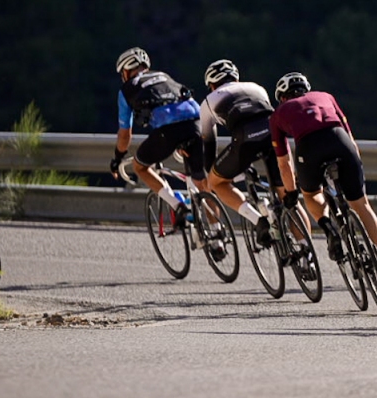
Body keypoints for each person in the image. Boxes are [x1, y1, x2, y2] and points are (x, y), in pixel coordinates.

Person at [268, 71, 377, 285]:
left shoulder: (278, 113)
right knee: (362, 205)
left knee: (311, 194)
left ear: (282, 96)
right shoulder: (326, 96)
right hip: (339, 139)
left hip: (309, 147)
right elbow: (349, 134)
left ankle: (329, 229)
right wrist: (356, 166)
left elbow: (284, 162)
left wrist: (290, 193)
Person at [110, 48, 212, 234]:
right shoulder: (164, 76)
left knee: (140, 166)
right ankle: (218, 233)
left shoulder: (127, 89)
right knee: (202, 183)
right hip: (197, 122)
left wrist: (117, 158)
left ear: (126, 71)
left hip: (168, 130)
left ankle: (178, 205)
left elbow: (125, 134)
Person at [198, 59, 279, 248]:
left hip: (245, 139)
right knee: (286, 197)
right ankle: (305, 252)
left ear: (212, 84)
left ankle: (258, 220)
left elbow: (209, 142)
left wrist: (211, 174)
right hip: (273, 136)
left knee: (216, 181)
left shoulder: (209, 101)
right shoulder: (256, 87)